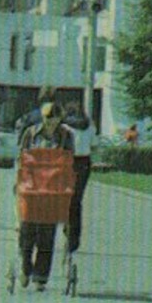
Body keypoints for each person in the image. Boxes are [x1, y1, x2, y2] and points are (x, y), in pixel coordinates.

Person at [17, 101, 74, 291]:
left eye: (55, 118)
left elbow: (69, 161)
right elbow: (21, 157)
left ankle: (41, 277)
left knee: (47, 233)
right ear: (43, 116)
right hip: (32, 187)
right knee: (27, 230)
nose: (51, 122)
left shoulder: (66, 136)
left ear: (60, 118)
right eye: (48, 117)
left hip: (53, 189)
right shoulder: (31, 133)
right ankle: (26, 267)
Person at [62, 100, 94, 254]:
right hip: (85, 162)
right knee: (76, 200)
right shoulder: (89, 125)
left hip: (68, 161)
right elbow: (94, 143)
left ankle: (66, 224)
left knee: (64, 196)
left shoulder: (65, 126)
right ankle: (74, 237)